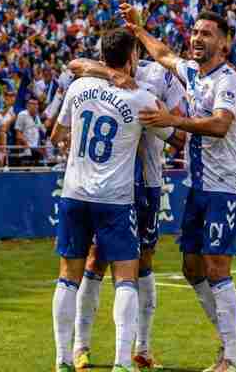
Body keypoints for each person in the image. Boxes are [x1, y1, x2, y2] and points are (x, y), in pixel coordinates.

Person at [123, 3, 236, 372]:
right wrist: (138, 30)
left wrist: (172, 119)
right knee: (192, 267)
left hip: (224, 187)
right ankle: (235, 343)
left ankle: (230, 358)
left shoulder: (228, 80)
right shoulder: (192, 73)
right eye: (195, 32)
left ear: (224, 43)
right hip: (198, 186)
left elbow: (220, 125)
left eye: (206, 33)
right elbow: (163, 54)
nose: (197, 38)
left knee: (215, 266)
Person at [51, 27, 170, 372]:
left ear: (101, 55)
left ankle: (62, 360)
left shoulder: (78, 88)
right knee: (126, 277)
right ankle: (121, 361)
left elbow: (58, 134)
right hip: (115, 200)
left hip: (74, 193)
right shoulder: (141, 98)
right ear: (132, 57)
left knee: (68, 276)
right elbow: (173, 135)